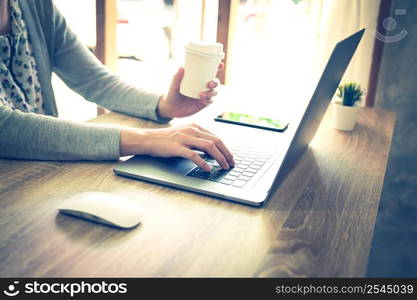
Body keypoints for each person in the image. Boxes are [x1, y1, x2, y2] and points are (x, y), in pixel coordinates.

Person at [0, 0, 234, 172]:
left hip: (42, 169)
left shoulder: (34, 6)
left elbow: (95, 80)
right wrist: (148, 140)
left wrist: (163, 106)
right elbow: (5, 128)